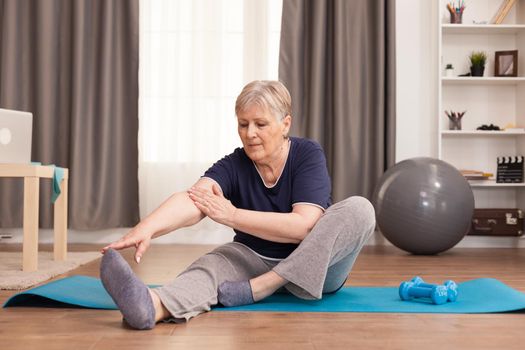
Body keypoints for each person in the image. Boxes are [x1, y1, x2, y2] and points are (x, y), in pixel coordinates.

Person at [100, 80, 376, 330]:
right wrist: (145, 229)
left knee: (360, 209)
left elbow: (302, 227)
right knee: (211, 265)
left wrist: (233, 215)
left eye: (260, 124)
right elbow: (194, 198)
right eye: (243, 124)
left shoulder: (307, 154)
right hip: (252, 258)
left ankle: (266, 286)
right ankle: (151, 305)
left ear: (285, 124)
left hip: (318, 268)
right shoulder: (235, 163)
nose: (250, 134)